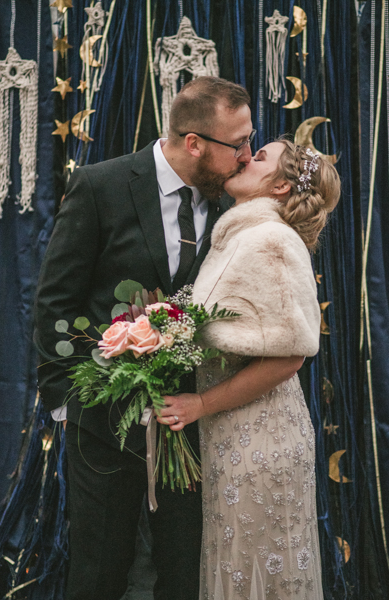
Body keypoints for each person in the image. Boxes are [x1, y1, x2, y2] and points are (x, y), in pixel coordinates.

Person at [34, 76, 255, 599]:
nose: (246, 157)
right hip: (103, 423)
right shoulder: (101, 184)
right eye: (238, 143)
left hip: (196, 425)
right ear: (194, 143)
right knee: (99, 571)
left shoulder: (235, 204)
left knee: (184, 571)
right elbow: (54, 302)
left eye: (250, 141)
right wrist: (68, 402)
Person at [156, 139, 340, 599]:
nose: (245, 156)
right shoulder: (241, 236)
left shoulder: (271, 240)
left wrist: (200, 403)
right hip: (232, 433)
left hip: (262, 438)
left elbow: (290, 355)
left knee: (257, 567)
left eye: (260, 157)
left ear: (279, 185)